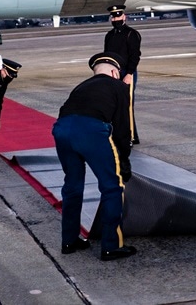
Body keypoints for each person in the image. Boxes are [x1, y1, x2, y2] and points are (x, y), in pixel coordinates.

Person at [51, 52, 136, 261]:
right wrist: (123, 159)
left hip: (62, 129)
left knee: (72, 186)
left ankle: (69, 241)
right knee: (112, 187)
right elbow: (123, 128)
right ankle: (111, 246)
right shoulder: (118, 87)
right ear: (115, 72)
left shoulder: (81, 86)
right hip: (91, 129)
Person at [103, 4, 142, 144]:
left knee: (127, 105)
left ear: (124, 16)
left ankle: (130, 136)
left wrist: (130, 73)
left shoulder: (132, 34)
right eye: (113, 17)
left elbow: (135, 56)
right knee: (115, 105)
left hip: (126, 72)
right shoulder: (109, 36)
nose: (116, 19)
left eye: (118, 16)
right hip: (113, 73)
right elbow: (107, 55)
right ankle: (121, 135)